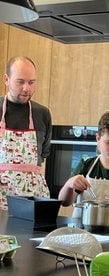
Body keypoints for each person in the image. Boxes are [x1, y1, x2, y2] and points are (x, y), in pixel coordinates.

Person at [58, 109, 109, 221]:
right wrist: (69, 184)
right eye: (108, 142)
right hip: (81, 233)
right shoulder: (86, 166)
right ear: (98, 139)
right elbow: (64, 202)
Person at [0, 56, 52, 210]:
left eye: (31, 82)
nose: (26, 88)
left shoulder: (42, 114)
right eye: (20, 82)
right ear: (6, 79)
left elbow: (42, 157)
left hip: (32, 200)